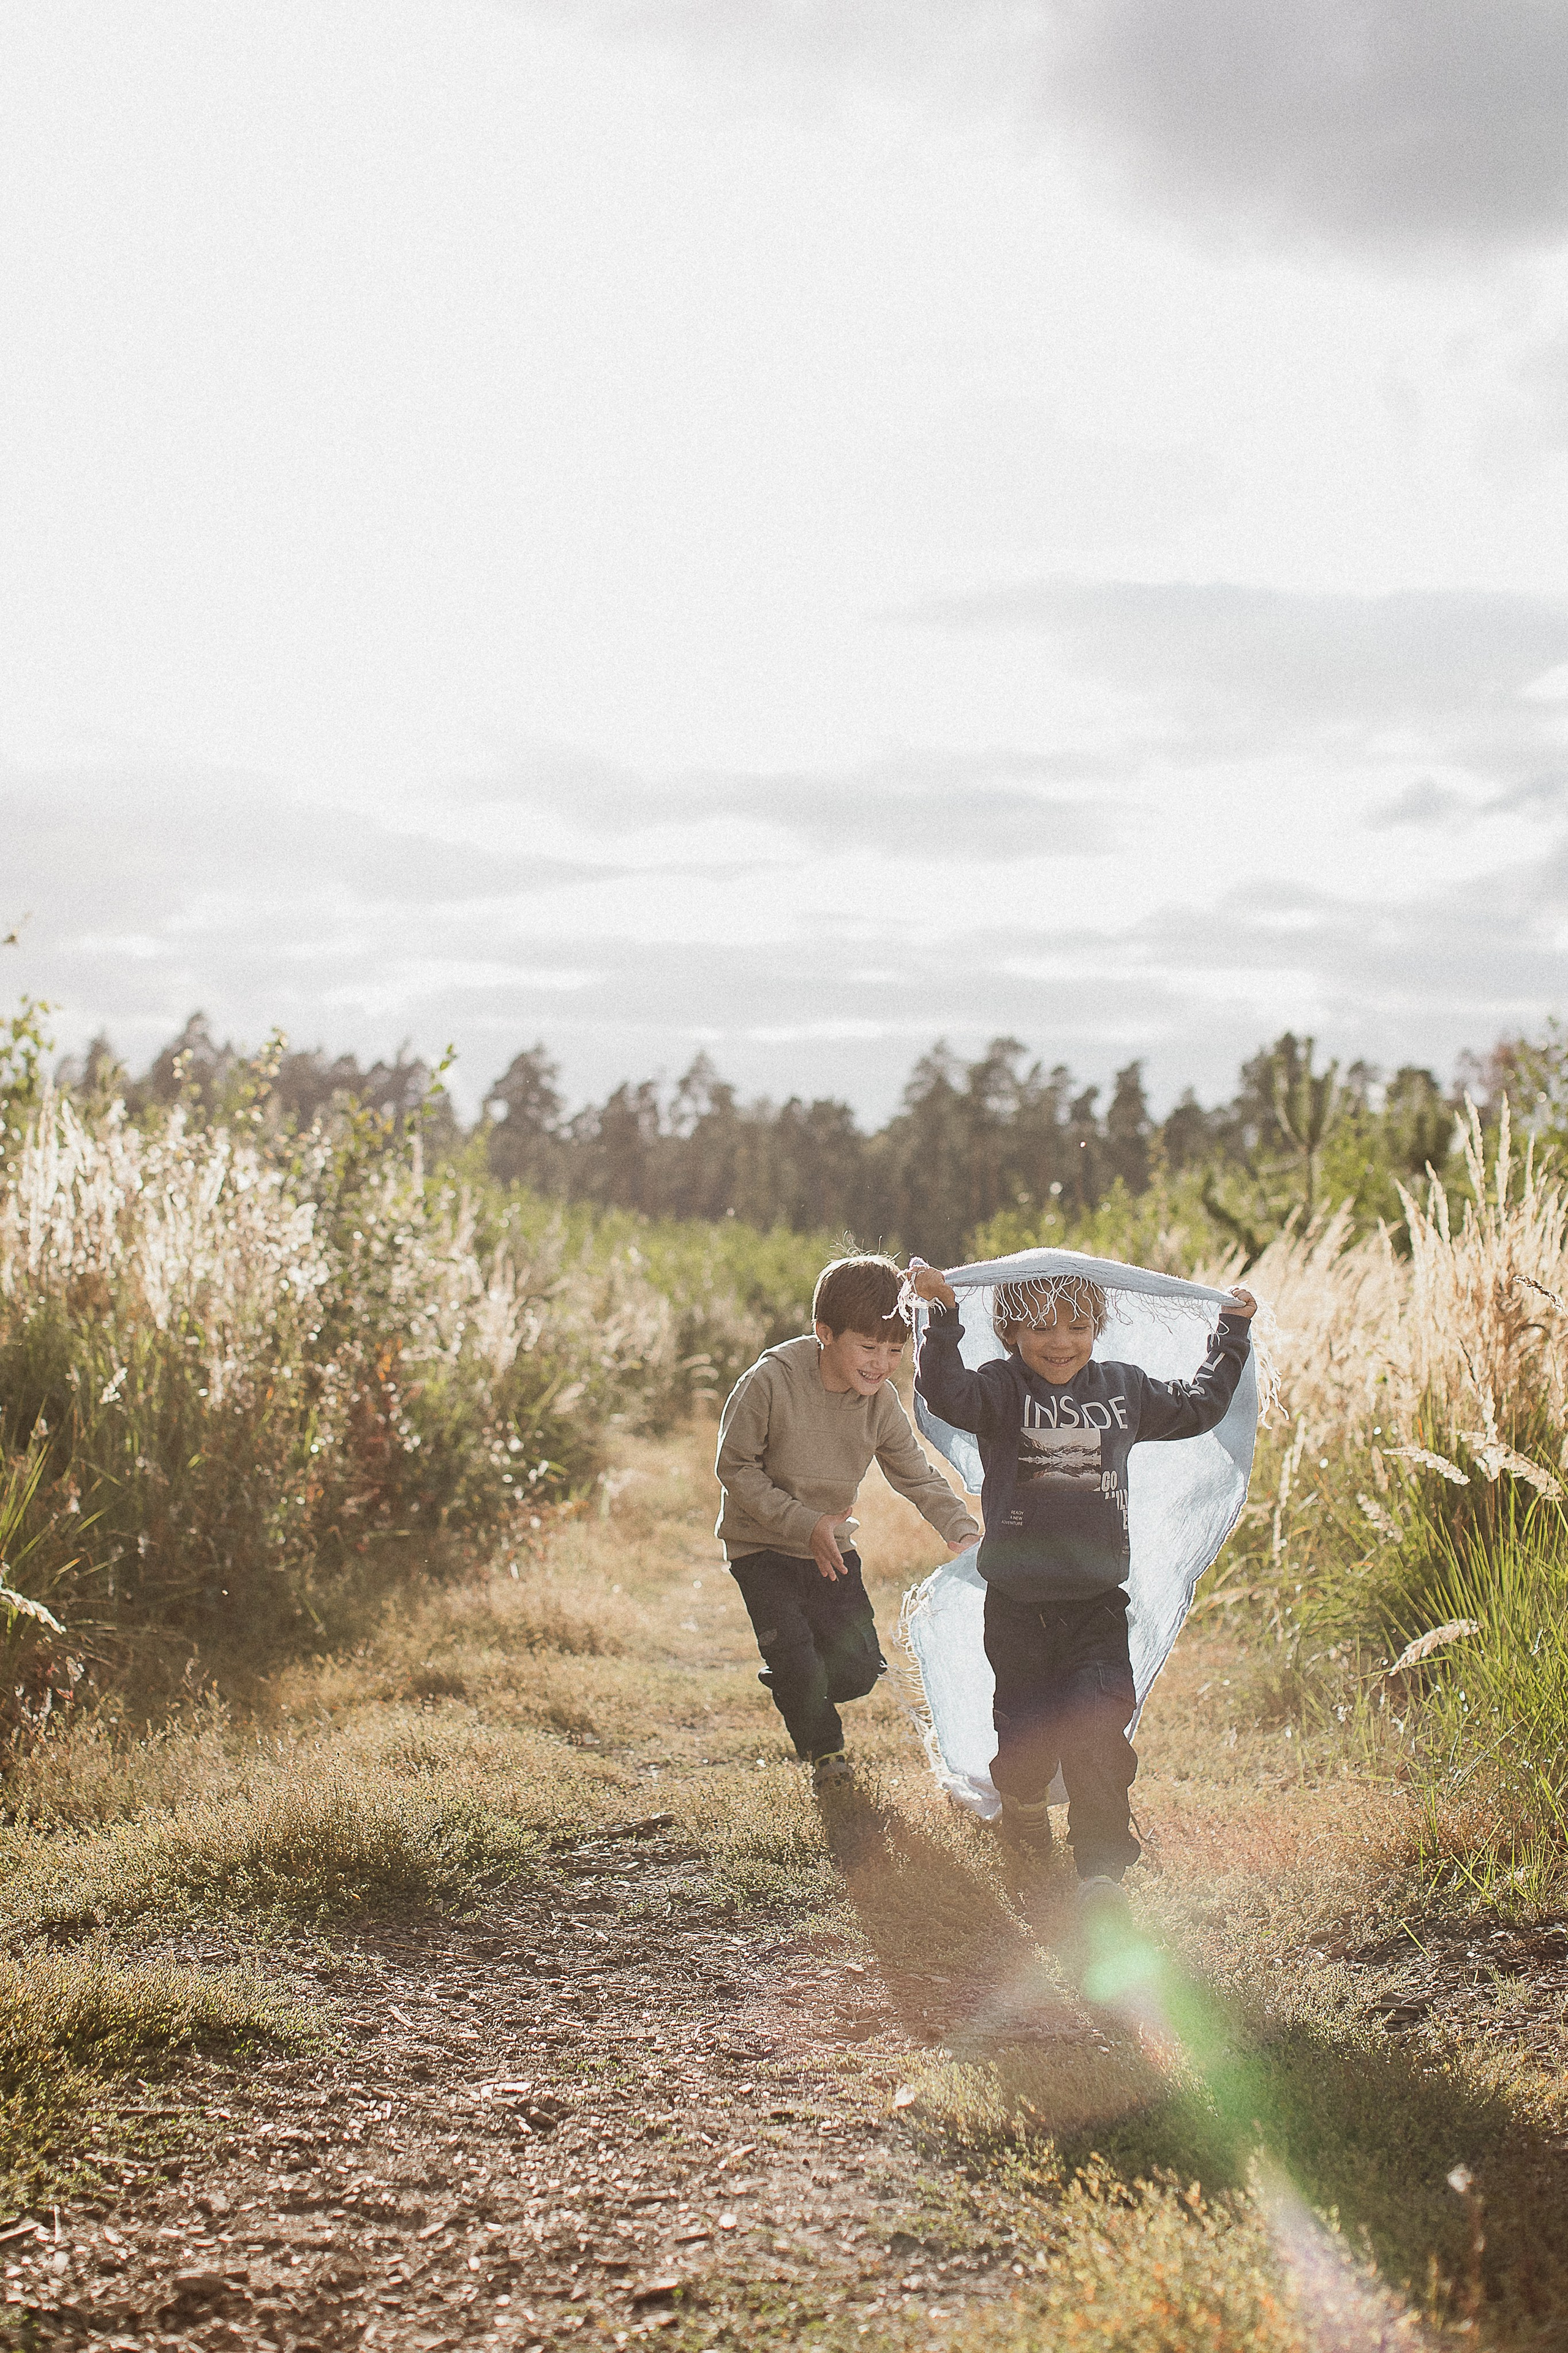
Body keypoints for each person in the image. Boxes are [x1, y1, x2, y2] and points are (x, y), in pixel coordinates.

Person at [909, 1259, 1256, 1905]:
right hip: (1016, 1607)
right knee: (1026, 1742)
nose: (1060, 1340)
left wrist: (1229, 1335)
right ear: (1012, 1331)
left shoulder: (1123, 1389)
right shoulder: (999, 1389)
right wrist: (943, 1317)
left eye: (1076, 1324)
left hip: (1096, 1606)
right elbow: (945, 1394)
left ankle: (1100, 1871)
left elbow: (1199, 1407)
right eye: (1041, 1326)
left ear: (1098, 1326)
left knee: (1098, 1734)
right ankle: (1021, 1804)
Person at [715, 1253, 981, 1790]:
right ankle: (825, 1753)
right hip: (762, 1548)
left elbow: (917, 1474)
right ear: (825, 1333)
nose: (881, 1363)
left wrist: (963, 1528)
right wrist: (802, 1522)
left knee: (858, 1671)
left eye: (894, 1350)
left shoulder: (880, 1403)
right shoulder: (770, 1381)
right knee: (797, 1654)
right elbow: (734, 1466)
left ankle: (796, 1678)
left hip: (831, 1547)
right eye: (868, 1346)